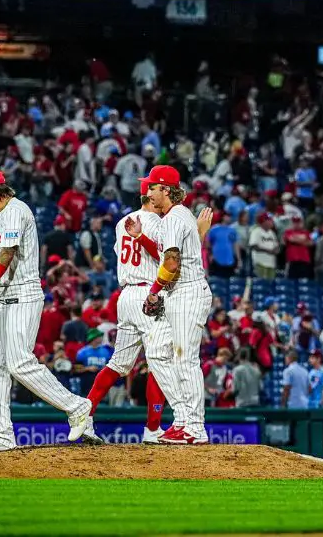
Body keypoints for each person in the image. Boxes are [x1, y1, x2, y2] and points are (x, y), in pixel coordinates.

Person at [0, 169, 102, 450]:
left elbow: (7, 254)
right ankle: (1, 434)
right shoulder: (0, 217)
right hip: (1, 297)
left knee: (18, 362)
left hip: (21, 295)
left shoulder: (16, 210)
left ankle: (77, 407)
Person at [84, 183, 210, 443]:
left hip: (125, 294)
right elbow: (169, 260)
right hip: (150, 292)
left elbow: (128, 255)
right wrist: (198, 235)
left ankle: (84, 415)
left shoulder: (122, 222)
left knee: (121, 363)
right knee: (160, 357)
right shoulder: (159, 222)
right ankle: (157, 426)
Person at [136, 165, 214, 444]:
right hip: (178, 293)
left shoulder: (173, 219)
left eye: (152, 187)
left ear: (166, 190)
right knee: (157, 353)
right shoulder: (176, 217)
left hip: (187, 292)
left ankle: (195, 427)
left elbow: (171, 262)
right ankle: (182, 417)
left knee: (185, 359)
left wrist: (153, 291)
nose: (147, 191)